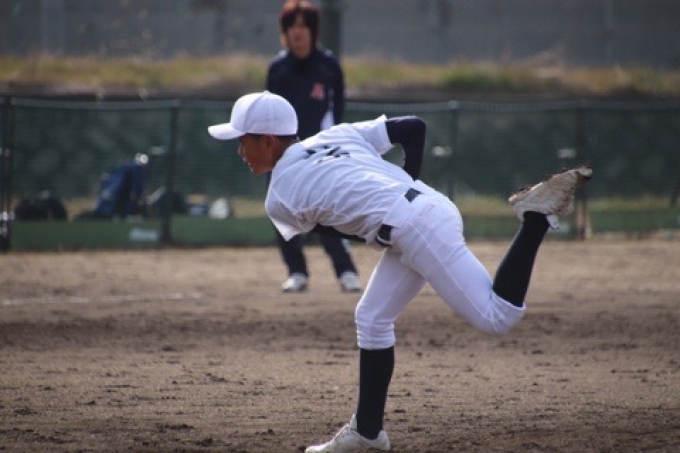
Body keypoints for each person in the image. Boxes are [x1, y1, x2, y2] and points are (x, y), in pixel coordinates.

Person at [208, 91, 592, 453]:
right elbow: (413, 127)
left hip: (413, 228)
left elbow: (342, 230)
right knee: (372, 317)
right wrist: (407, 185)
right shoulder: (334, 136)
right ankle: (367, 433)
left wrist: (392, 219)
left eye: (243, 141)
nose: (240, 151)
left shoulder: (278, 197)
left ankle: (534, 219)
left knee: (498, 316)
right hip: (429, 206)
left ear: (268, 141)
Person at [265, 0, 362, 293]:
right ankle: (297, 272)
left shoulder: (329, 66)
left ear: (313, 30)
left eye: (304, 26)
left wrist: (331, 149)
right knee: (282, 213)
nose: (298, 32)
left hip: (321, 155)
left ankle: (346, 271)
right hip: (282, 155)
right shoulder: (277, 69)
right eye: (292, 27)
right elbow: (269, 113)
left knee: (328, 213)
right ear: (285, 32)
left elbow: (337, 111)